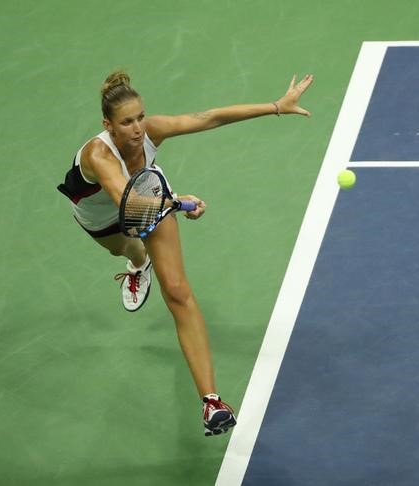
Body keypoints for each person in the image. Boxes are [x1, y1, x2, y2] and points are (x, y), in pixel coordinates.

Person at [58, 70, 314, 436]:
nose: (137, 129)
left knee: (177, 292)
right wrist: (180, 203)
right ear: (108, 125)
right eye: (126, 122)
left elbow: (207, 117)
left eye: (140, 117)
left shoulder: (150, 132)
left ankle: (212, 402)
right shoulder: (98, 155)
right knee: (124, 248)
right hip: (107, 213)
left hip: (152, 199)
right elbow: (126, 202)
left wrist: (276, 106)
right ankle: (137, 262)